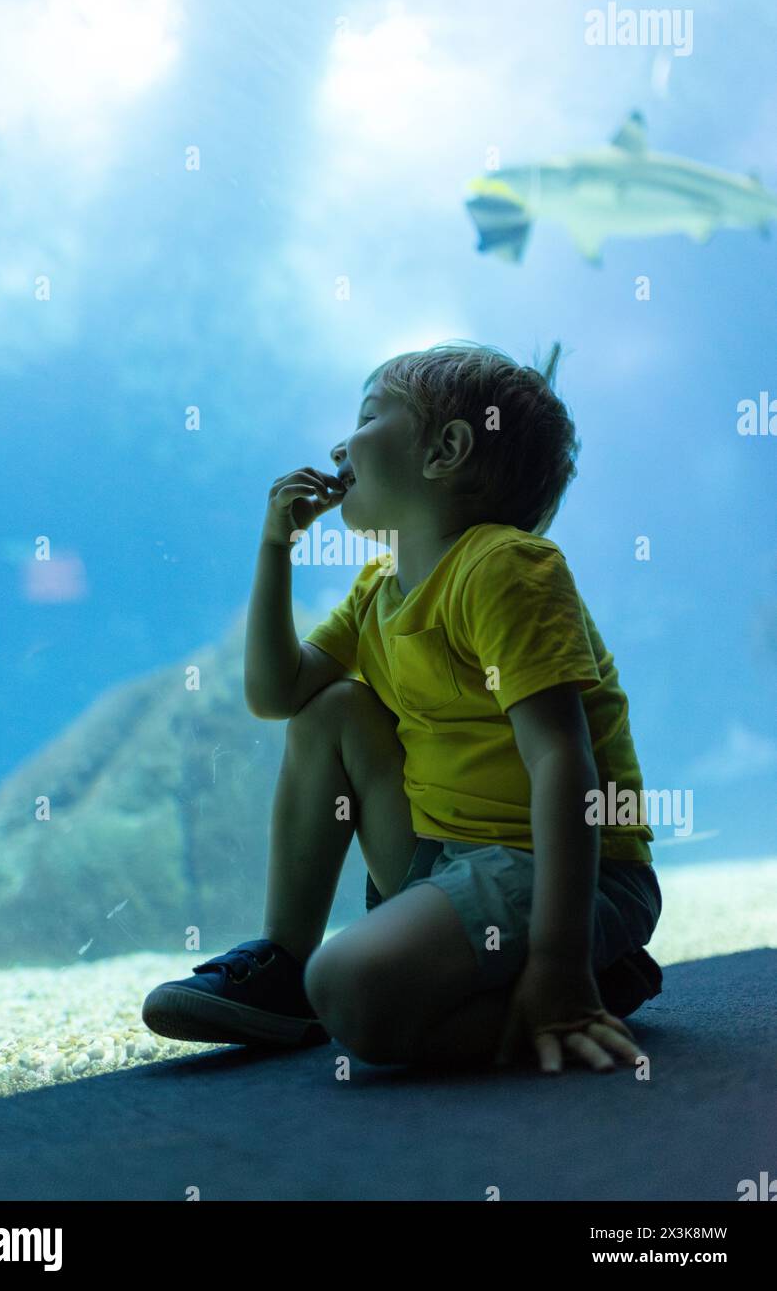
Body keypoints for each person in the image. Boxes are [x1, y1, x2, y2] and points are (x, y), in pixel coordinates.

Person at [142, 340, 663, 1075]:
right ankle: (285, 964)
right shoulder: (378, 590)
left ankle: (575, 987)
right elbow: (276, 695)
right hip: (446, 858)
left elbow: (562, 760)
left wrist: (561, 958)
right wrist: (275, 549)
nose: (338, 445)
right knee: (331, 711)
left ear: (446, 449)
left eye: (367, 415)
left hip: (566, 870)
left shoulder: (506, 567)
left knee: (351, 990)